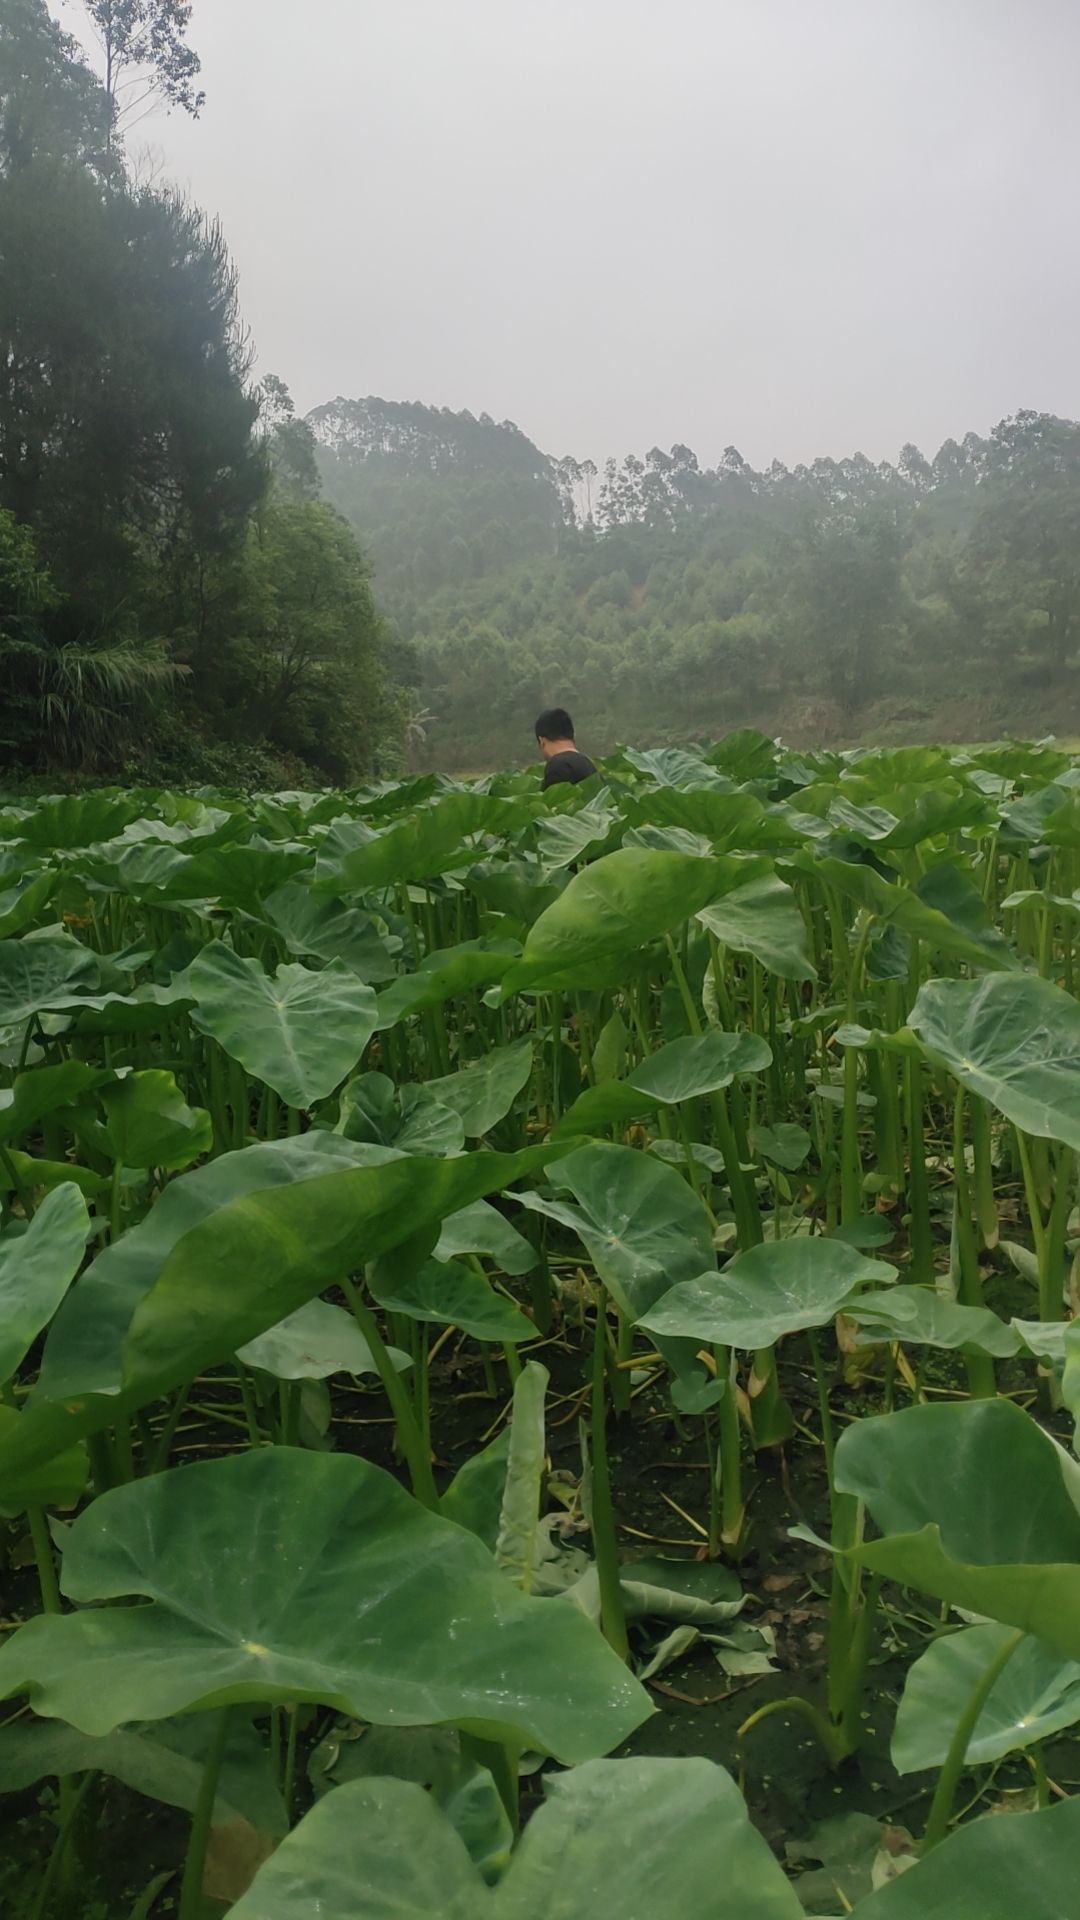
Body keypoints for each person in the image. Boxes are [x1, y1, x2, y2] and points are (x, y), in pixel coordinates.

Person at [535, 708, 598, 789]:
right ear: (573, 735)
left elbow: (557, 800)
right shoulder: (589, 764)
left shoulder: (557, 766)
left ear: (542, 741)